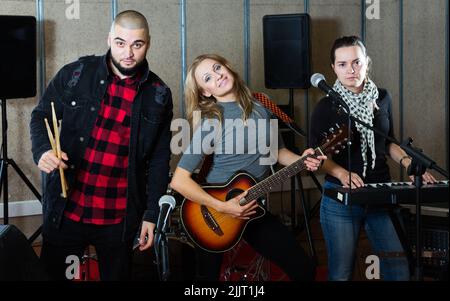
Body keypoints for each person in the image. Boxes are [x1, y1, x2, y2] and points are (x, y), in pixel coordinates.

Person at [29, 10, 173, 280]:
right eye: (120, 43)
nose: (128, 52)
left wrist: (151, 214)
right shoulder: (76, 73)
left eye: (137, 44)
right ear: (109, 39)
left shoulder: (159, 95)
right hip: (68, 208)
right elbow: (41, 116)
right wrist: (43, 151)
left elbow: (158, 159)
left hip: (118, 217)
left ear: (148, 43)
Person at [170, 54, 326, 281]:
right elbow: (179, 180)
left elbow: (277, 152)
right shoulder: (211, 119)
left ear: (227, 66)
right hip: (211, 212)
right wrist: (223, 208)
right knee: (207, 282)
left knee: (304, 268)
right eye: (208, 77)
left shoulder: (262, 104)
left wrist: (303, 160)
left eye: (217, 67)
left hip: (251, 207)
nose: (217, 75)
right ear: (206, 91)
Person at [309, 36, 436, 281]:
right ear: (333, 68)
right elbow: (315, 157)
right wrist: (340, 172)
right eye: (343, 64)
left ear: (367, 62)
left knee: (399, 271)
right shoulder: (325, 107)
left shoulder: (383, 97)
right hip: (340, 199)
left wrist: (410, 164)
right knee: (341, 274)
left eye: (356, 62)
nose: (351, 70)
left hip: (380, 193)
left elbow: (388, 141)